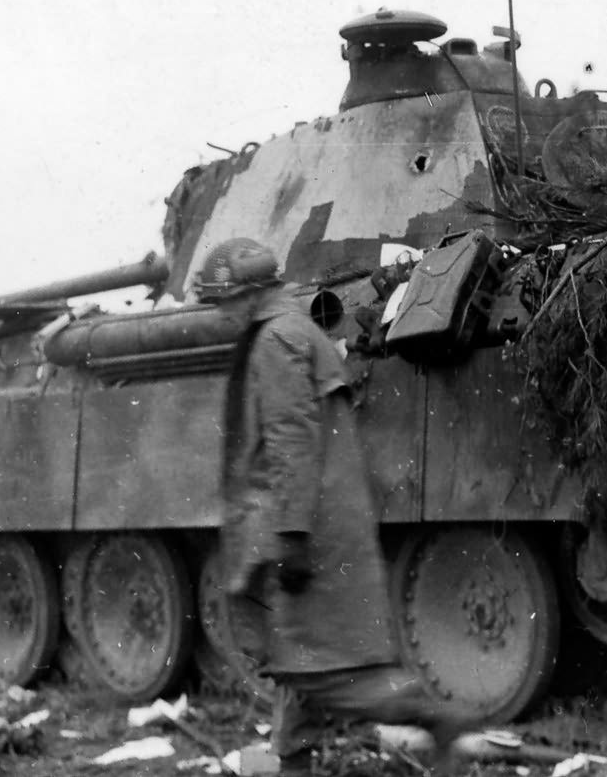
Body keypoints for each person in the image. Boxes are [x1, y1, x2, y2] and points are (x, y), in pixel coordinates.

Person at [195, 238, 470, 775]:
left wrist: (291, 535)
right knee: (297, 656)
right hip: (320, 521)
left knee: (321, 670)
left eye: (223, 303)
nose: (222, 316)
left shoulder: (275, 340)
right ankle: (294, 761)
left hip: (307, 531)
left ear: (246, 295)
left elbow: (290, 442)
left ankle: (432, 717)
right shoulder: (297, 330)